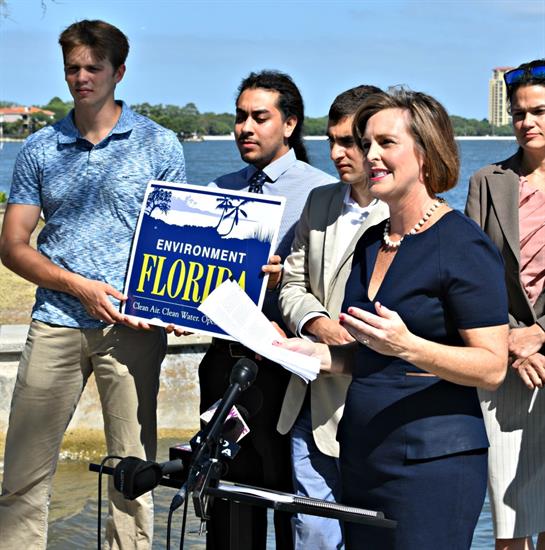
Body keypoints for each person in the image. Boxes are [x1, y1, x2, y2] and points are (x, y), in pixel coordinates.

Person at [276, 88, 509, 549]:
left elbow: (492, 367)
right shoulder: (371, 244)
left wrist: (409, 345)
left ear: (425, 152)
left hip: (431, 467)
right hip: (362, 457)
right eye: (367, 144)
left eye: (386, 143)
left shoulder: (463, 244)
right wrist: (313, 354)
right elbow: (372, 359)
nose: (370, 156)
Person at [0, 20, 186, 549]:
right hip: (54, 324)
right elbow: (13, 245)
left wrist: (177, 304)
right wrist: (79, 287)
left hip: (133, 327)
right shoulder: (40, 148)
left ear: (118, 72)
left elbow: (179, 242)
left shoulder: (159, 144)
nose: (81, 77)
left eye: (93, 68)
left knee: (133, 475)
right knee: (22, 474)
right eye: (72, 68)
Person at [198, 70, 336, 550]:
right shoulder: (216, 190)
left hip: (284, 373)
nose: (246, 128)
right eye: (240, 117)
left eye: (260, 117)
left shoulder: (322, 194)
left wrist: (281, 286)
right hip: (222, 365)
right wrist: (174, 308)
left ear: (290, 124)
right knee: (224, 502)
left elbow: (328, 287)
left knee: (286, 502)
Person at [277, 84, 388, 550]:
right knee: (313, 534)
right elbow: (291, 282)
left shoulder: (404, 211)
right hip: (310, 399)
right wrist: (316, 324)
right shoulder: (318, 201)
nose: (338, 153)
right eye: (332, 141)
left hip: (374, 405)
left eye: (350, 142)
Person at [466, 59, 545, 550]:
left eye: (539, 111)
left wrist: (543, 334)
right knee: (509, 523)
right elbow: (471, 278)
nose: (527, 122)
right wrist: (514, 340)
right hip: (506, 361)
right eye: (519, 113)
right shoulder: (486, 181)